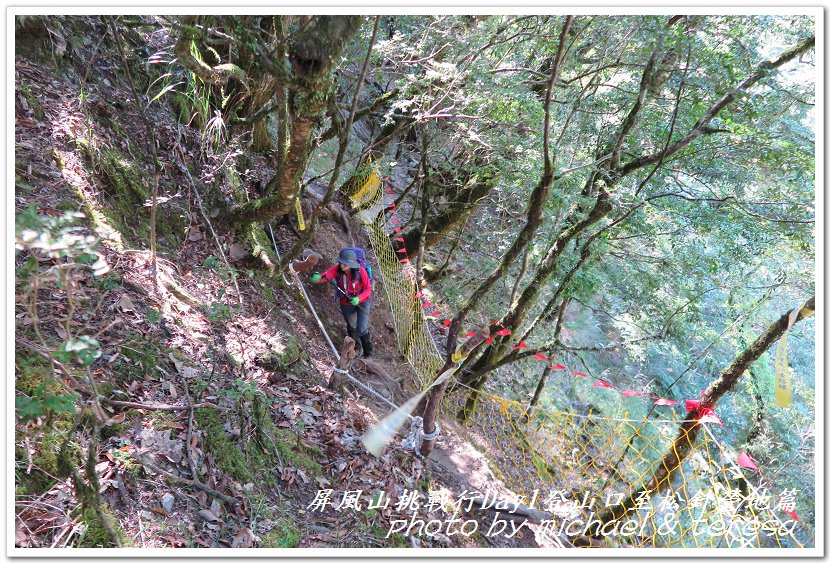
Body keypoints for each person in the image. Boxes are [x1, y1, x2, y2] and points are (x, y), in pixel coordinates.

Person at [309, 249, 373, 357]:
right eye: (341, 262)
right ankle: (355, 348)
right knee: (351, 325)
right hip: (346, 302)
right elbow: (326, 276)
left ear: (351, 264)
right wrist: (317, 278)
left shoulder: (360, 271)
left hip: (363, 301)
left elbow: (368, 289)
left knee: (362, 328)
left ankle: (368, 353)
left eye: (345, 264)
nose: (342, 265)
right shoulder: (337, 269)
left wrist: (358, 298)